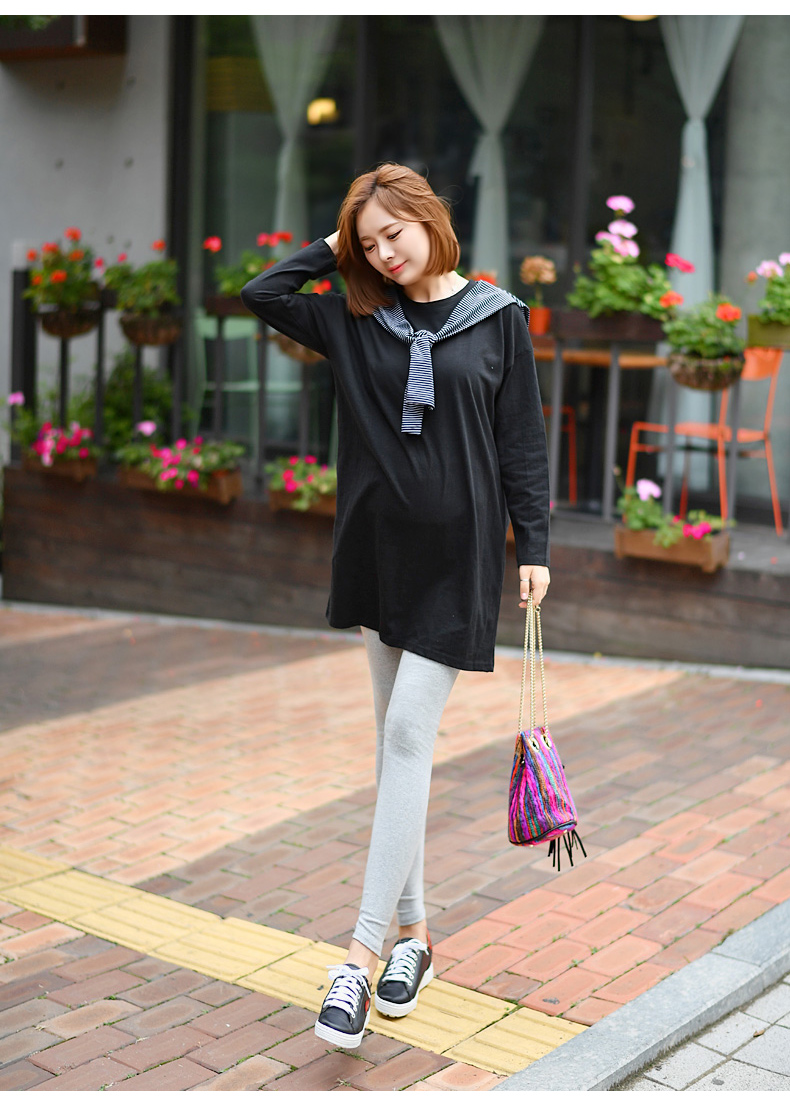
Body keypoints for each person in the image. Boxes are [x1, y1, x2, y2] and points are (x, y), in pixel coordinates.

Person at [241, 162, 550, 1050]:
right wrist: (335, 245)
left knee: (408, 735)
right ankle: (416, 936)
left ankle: (358, 959)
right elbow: (263, 293)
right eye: (368, 242)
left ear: (429, 219)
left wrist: (534, 544)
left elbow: (522, 440)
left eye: (394, 234)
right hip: (380, 559)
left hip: (458, 564)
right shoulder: (353, 317)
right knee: (394, 750)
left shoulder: (498, 317)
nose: (384, 253)